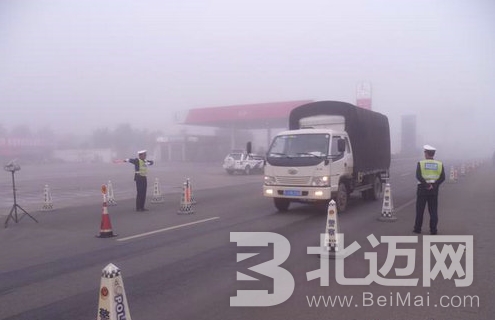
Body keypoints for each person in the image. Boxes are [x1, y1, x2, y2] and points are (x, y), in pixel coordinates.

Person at [414, 145, 445, 235]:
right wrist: (434, 185)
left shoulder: (421, 163)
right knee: (433, 211)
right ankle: (433, 230)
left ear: (426, 153)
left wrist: (426, 185)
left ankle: (417, 228)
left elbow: (418, 176)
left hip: (422, 190)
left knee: (420, 210)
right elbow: (442, 178)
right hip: (434, 191)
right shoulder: (439, 164)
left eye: (425, 152)